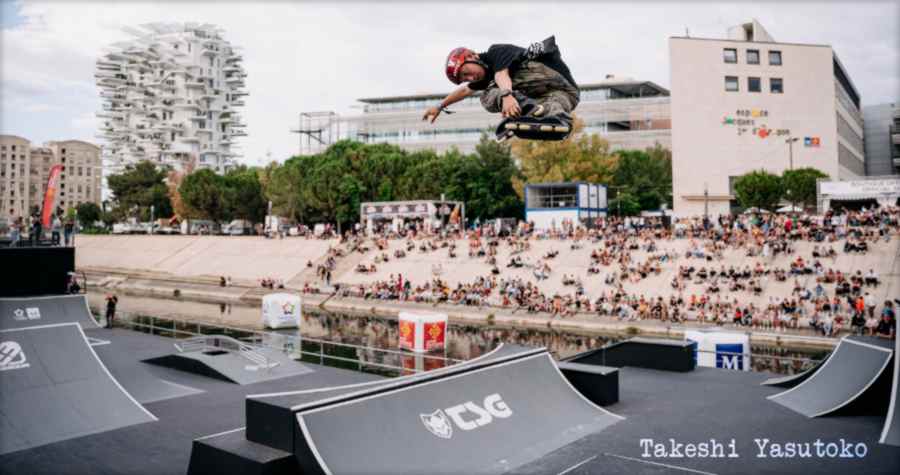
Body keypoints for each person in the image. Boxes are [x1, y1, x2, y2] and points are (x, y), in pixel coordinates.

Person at [423, 36, 579, 133]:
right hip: (568, 95)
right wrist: (439, 106)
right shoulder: (480, 80)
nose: (471, 78)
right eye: (466, 78)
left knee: (488, 95)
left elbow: (501, 74)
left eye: (466, 72)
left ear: (472, 56)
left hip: (551, 74)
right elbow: (464, 91)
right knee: (550, 110)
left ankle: (522, 106)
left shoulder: (496, 53)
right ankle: (553, 115)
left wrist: (507, 96)